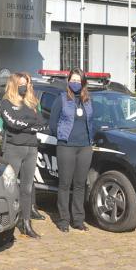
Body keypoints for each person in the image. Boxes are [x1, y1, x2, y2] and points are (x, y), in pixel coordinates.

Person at [0, 72, 48, 238]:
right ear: (14, 84)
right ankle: (7, 225)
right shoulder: (6, 102)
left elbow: (42, 125)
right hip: (14, 148)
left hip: (31, 149)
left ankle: (26, 222)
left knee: (27, 188)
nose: (24, 86)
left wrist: (26, 127)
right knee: (10, 187)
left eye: (26, 84)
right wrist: (30, 125)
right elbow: (12, 123)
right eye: (21, 83)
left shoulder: (32, 102)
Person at [49, 68, 94, 232]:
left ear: (83, 82)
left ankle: (78, 220)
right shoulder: (61, 99)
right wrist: (61, 136)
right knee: (65, 184)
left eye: (78, 80)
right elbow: (52, 123)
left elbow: (92, 121)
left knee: (80, 184)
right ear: (68, 81)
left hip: (85, 147)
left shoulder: (88, 100)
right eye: (72, 80)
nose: (75, 83)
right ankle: (63, 220)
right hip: (66, 146)